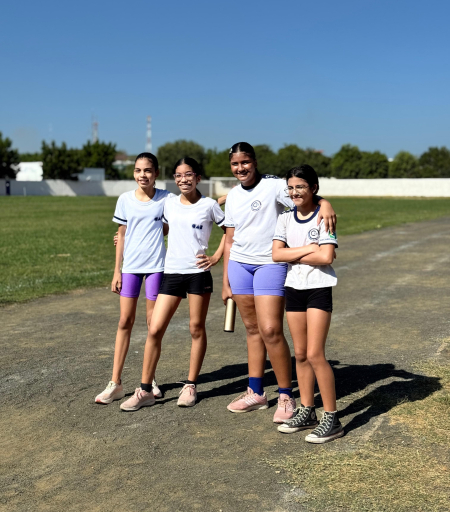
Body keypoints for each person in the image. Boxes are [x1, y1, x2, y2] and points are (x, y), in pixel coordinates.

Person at [222, 142, 337, 424]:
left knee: (271, 330)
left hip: (270, 264)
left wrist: (325, 203)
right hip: (239, 265)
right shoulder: (233, 196)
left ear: (255, 161)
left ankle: (286, 395)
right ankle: (256, 392)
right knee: (252, 329)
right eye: (235, 164)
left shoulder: (274, 186)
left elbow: (303, 196)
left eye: (245, 162)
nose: (241, 168)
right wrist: (226, 279)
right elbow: (229, 240)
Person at [119, 157, 226, 411]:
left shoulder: (209, 205)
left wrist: (216, 257)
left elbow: (229, 231)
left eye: (188, 175)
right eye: (179, 175)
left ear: (198, 177)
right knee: (155, 329)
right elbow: (156, 224)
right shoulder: (168, 203)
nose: (183, 179)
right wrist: (124, 236)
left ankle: (190, 385)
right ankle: (145, 390)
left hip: (198, 273)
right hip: (172, 273)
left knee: (196, 328)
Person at [273, 164, 344, 443]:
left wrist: (292, 253)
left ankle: (332, 418)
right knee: (300, 354)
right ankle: (307, 410)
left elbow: (326, 257)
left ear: (313, 188)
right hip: (294, 288)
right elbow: (276, 255)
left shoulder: (323, 216)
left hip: (318, 289)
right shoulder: (285, 218)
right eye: (290, 188)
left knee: (315, 354)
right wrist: (306, 250)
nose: (294, 192)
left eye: (300, 187)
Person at [95, 152, 172, 404]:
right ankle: (115, 383)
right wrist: (116, 270)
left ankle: (149, 380)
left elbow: (182, 216)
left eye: (148, 170)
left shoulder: (166, 198)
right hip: (130, 268)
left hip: (156, 267)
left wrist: (226, 198)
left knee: (153, 324)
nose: (143, 175)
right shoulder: (125, 199)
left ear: (156, 173)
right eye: (138, 170)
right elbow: (122, 233)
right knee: (124, 321)